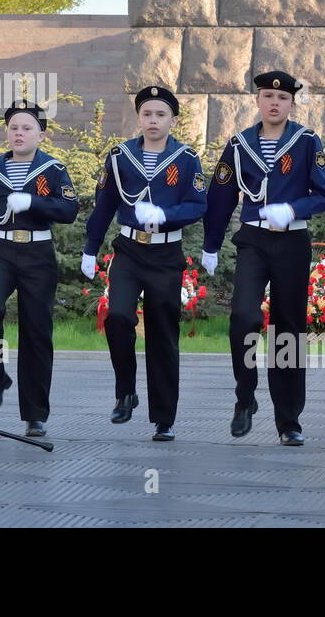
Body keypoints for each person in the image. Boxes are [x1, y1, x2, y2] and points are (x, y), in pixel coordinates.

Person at [202, 71, 325, 446]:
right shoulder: (240, 143)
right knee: (244, 315)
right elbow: (221, 196)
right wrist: (211, 244)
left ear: (292, 104)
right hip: (254, 241)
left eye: (282, 98)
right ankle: (245, 396)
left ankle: (288, 419)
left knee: (287, 329)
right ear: (257, 101)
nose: (274, 103)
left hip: (292, 242)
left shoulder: (307, 141)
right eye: (266, 96)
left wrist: (292, 209)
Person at [81, 86, 207, 441]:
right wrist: (90, 248)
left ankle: (164, 417)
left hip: (166, 255)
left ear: (173, 120)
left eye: (161, 115)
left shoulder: (186, 158)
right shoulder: (121, 156)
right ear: (139, 118)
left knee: (162, 333)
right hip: (129, 250)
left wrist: (165, 214)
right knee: (118, 316)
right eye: (147, 114)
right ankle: (125, 391)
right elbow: (104, 204)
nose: (153, 120)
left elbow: (198, 205)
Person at [0, 100, 78, 437]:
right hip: (2, 250)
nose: (19, 133)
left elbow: (69, 209)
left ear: (41, 134)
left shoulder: (53, 169)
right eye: (13, 128)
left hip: (37, 252)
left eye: (26, 128)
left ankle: (35, 414)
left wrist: (34, 201)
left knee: (36, 332)